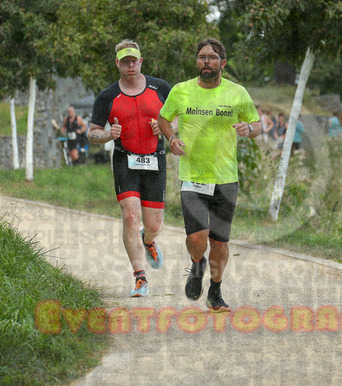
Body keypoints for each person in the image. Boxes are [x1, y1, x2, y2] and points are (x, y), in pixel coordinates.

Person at [158, 37, 262, 312]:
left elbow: (257, 123)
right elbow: (163, 118)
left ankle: (215, 291)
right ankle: (197, 264)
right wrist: (172, 139)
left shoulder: (237, 92)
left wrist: (249, 129)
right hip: (193, 176)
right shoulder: (181, 91)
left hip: (225, 178)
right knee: (196, 238)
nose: (206, 61)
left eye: (212, 57)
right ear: (197, 62)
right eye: (202, 57)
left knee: (219, 242)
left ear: (222, 63)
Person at [87, 39, 171, 298]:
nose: (130, 65)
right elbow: (92, 132)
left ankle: (148, 240)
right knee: (130, 216)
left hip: (155, 159)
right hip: (125, 161)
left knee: (154, 224)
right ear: (117, 64)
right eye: (125, 62)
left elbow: (178, 118)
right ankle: (140, 277)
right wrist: (107, 135)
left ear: (141, 61)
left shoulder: (161, 88)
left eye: (134, 61)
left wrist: (166, 127)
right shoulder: (107, 96)